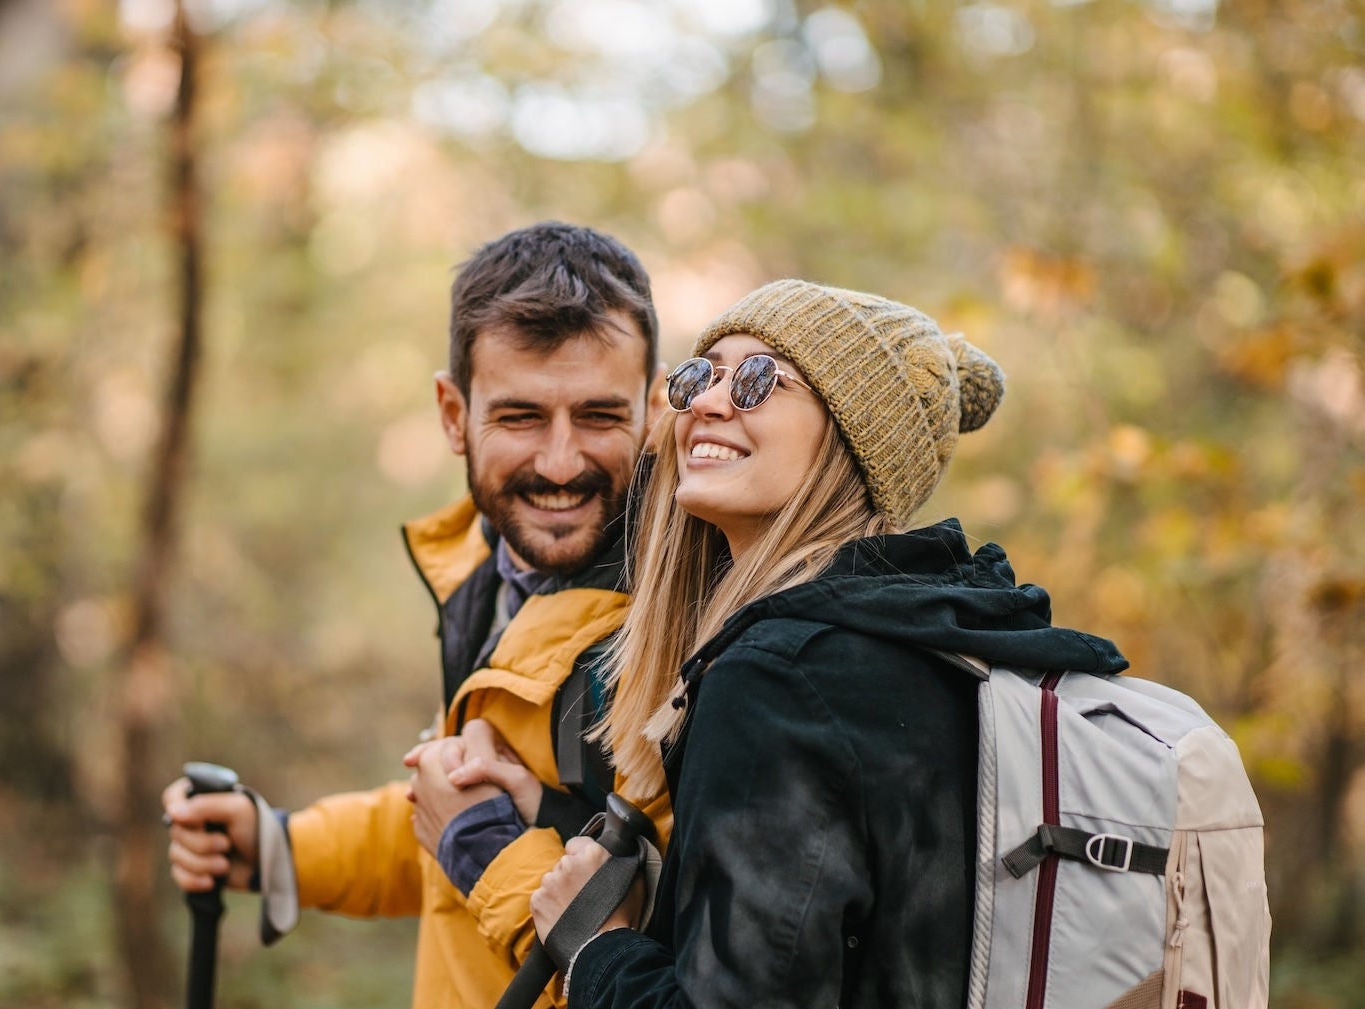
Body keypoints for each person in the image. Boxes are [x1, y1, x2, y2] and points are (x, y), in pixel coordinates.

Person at [527, 279, 1130, 1008]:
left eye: (758, 380)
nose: (708, 404)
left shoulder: (779, 679)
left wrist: (595, 947)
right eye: (700, 375)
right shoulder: (952, 647)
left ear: (854, 440)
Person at [162, 221, 674, 1009]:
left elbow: (672, 957)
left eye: (601, 415)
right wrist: (278, 846)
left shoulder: (681, 627)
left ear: (655, 407)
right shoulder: (487, 579)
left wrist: (486, 851)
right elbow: (448, 820)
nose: (562, 462)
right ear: (451, 412)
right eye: (521, 417)